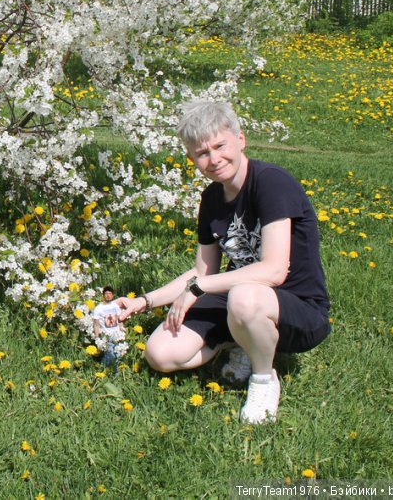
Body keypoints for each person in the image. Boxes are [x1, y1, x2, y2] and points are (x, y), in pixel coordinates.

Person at [112, 101, 330, 423]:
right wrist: (143, 302)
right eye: (202, 153)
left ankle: (262, 379)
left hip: (296, 306)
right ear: (192, 159)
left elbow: (273, 269)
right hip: (238, 300)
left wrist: (200, 288)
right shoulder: (211, 199)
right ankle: (240, 340)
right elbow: (202, 271)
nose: (213, 159)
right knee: (160, 355)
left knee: (243, 295)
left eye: (220, 146)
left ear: (240, 139)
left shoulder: (271, 183)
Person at [93, 286, 126, 367]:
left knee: (118, 356)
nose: (108, 295)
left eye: (110, 293)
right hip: (107, 337)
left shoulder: (115, 306)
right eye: (106, 294)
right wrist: (97, 338)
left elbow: (119, 319)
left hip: (117, 336)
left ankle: (115, 375)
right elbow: (96, 324)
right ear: (103, 295)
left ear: (113, 295)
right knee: (109, 355)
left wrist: (122, 328)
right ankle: (103, 369)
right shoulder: (98, 308)